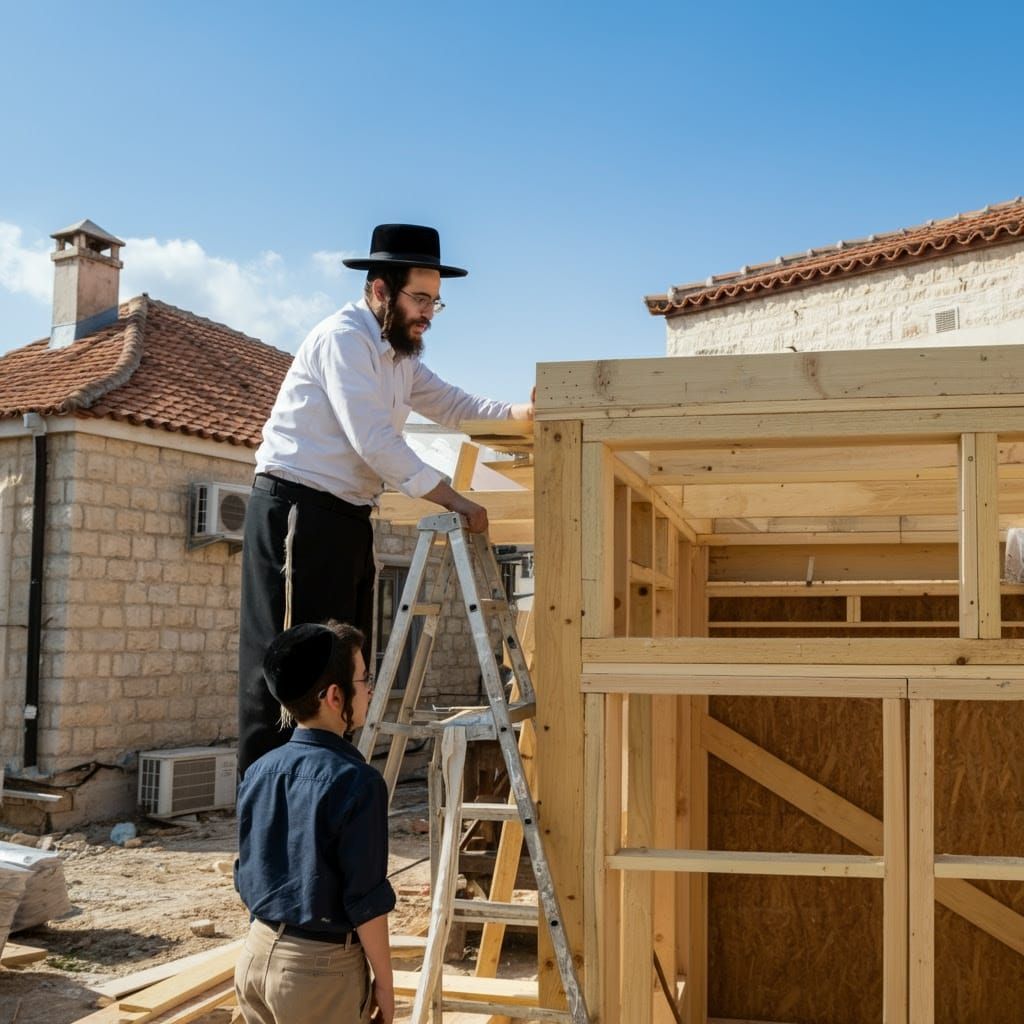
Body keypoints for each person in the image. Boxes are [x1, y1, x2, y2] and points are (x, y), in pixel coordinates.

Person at [239, 223, 533, 775]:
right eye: (419, 298)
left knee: (344, 675)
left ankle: (323, 819)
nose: (427, 313)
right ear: (379, 290)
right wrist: (456, 500)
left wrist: (525, 414)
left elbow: (455, 406)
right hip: (297, 512)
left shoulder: (399, 357)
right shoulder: (343, 339)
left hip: (349, 517)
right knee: (289, 679)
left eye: (435, 302)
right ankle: (272, 836)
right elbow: (375, 441)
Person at [234, 620, 395, 1024]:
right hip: (318, 976)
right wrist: (386, 987)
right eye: (364, 679)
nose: (370, 689)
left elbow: (248, 873)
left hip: (255, 959)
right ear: (334, 696)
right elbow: (366, 900)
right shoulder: (358, 781)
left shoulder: (259, 771)